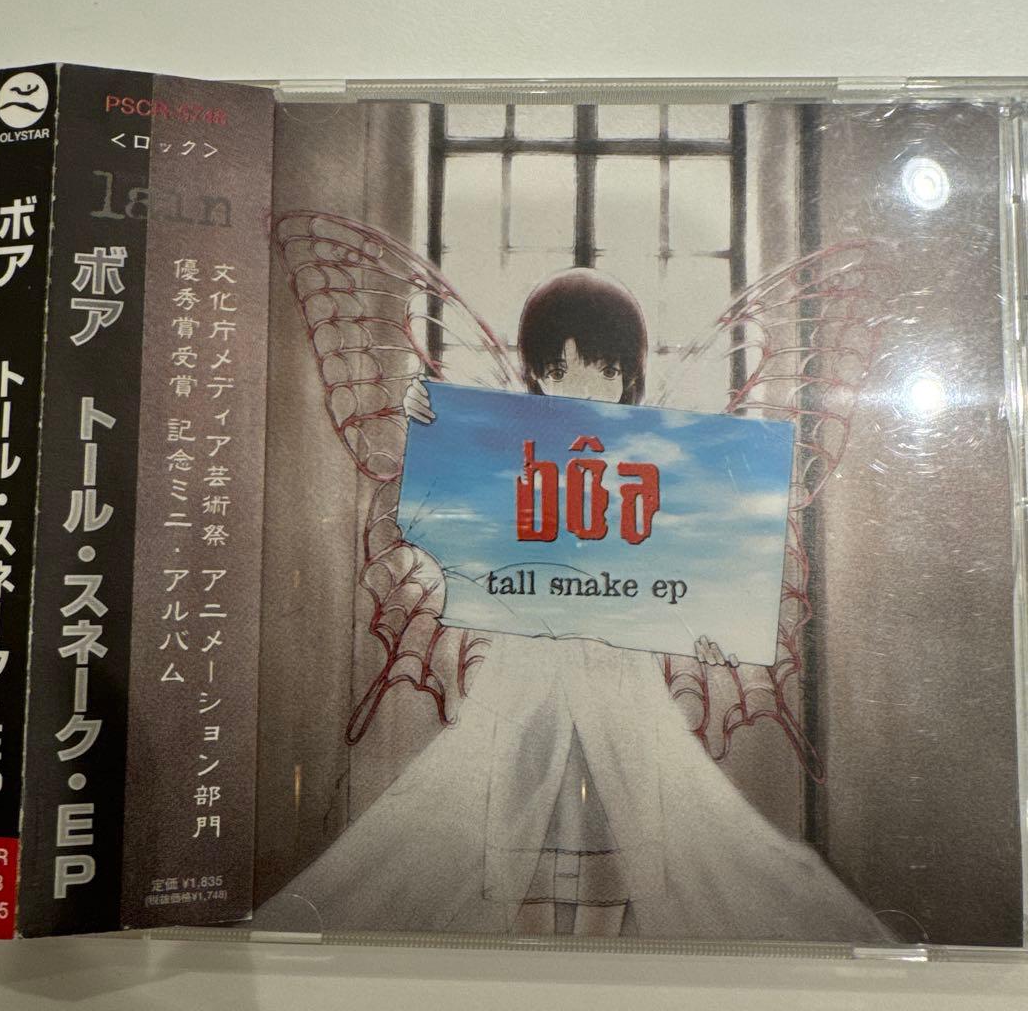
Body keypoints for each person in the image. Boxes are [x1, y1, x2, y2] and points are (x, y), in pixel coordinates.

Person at [253, 268, 890, 941]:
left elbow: (688, 571)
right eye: (560, 369)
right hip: (526, 671)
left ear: (628, 374)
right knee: (518, 820)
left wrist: (709, 626)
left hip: (621, 676)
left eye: (605, 369)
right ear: (537, 374)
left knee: (622, 822)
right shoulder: (511, 452)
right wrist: (430, 428)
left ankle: (597, 968)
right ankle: (532, 970)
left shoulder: (659, 459)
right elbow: (454, 528)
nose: (583, 386)